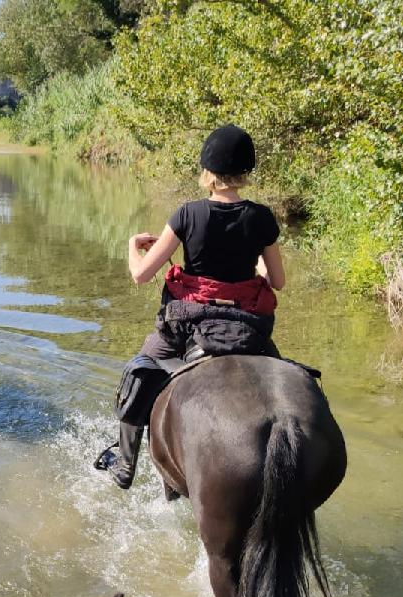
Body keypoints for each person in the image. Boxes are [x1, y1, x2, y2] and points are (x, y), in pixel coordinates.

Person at [98, 124, 286, 489]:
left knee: (140, 369)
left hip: (189, 323)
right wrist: (257, 265)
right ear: (245, 172)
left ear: (207, 171)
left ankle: (124, 464)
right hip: (247, 327)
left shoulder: (187, 214)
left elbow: (141, 275)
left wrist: (132, 247)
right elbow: (276, 281)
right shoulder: (262, 218)